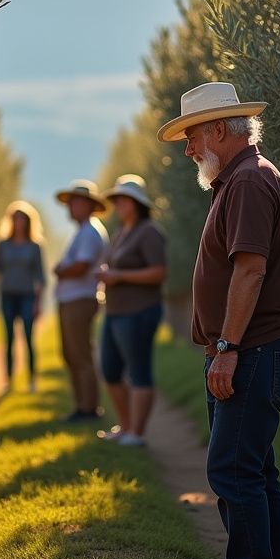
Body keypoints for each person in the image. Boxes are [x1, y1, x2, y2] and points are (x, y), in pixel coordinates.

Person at [158, 82, 280, 559]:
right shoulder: (240, 179)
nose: (188, 149)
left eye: (192, 136)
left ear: (219, 129)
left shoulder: (246, 182)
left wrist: (226, 347)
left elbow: (250, 269)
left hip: (254, 350)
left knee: (232, 469)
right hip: (254, 348)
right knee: (255, 470)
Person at [96, 176, 166, 447]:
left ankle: (137, 433)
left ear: (137, 203)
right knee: (110, 370)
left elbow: (158, 272)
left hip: (139, 311)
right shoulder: (121, 232)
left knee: (138, 372)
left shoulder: (149, 232)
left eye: (123, 200)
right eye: (116, 200)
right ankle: (125, 426)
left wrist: (119, 276)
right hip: (115, 312)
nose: (118, 204)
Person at [53, 179, 109, 421]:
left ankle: (88, 408)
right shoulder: (85, 230)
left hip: (79, 299)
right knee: (73, 353)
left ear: (88, 206)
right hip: (75, 299)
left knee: (79, 354)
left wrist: (60, 271)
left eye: (75, 203)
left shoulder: (88, 232)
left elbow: (81, 266)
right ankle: (83, 405)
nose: (71, 208)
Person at [0, 201, 46, 391]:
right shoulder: (2, 245)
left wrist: (38, 302)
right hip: (7, 295)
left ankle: (32, 380)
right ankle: (8, 380)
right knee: (8, 339)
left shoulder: (35, 246)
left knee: (28, 338)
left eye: (21, 219)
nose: (18, 223)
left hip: (27, 296)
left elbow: (40, 276)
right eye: (15, 219)